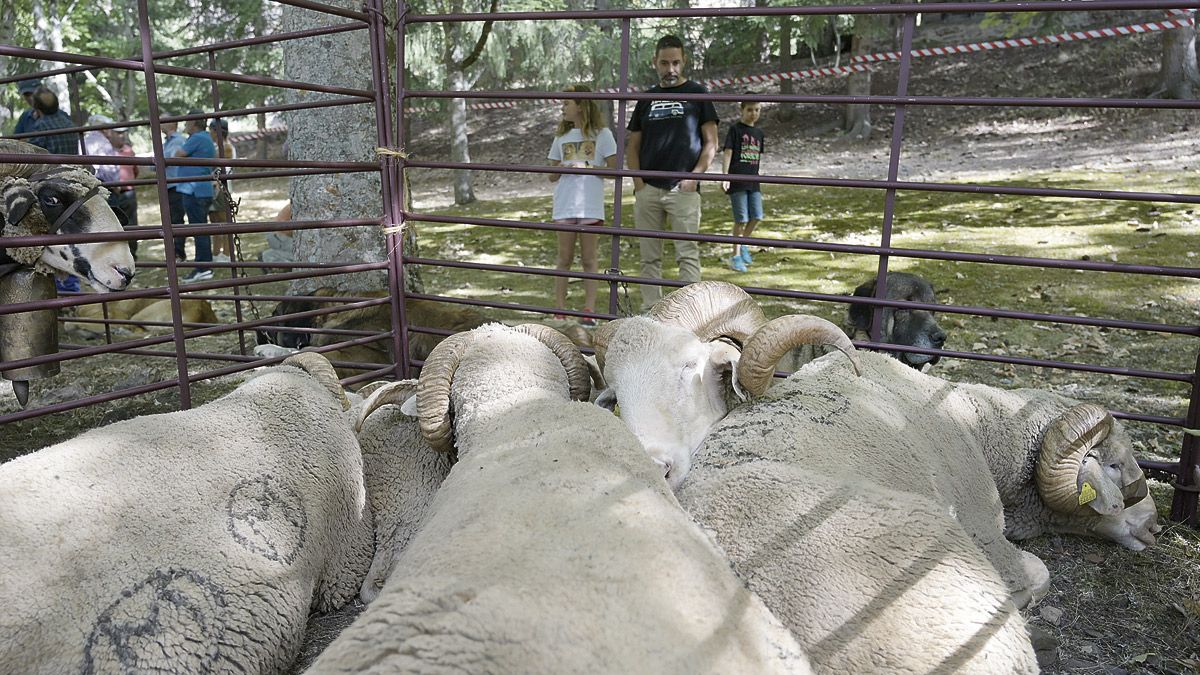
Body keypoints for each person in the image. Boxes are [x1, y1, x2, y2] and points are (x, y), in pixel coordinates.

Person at [626, 34, 719, 311]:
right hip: (649, 190)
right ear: (655, 62)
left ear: (684, 61)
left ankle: (690, 314)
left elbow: (711, 143)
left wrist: (695, 177)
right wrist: (638, 182)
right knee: (649, 258)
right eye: (665, 63)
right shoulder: (647, 99)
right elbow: (633, 146)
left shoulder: (698, 94)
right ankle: (651, 315)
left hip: (685, 188)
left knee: (687, 254)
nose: (671, 69)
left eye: (676, 62)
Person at [547, 85, 617, 325]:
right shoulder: (561, 137)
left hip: (590, 206)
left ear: (581, 105)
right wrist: (562, 168)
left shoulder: (602, 135)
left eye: (567, 103)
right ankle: (559, 309)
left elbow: (614, 169)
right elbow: (550, 174)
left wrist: (587, 168)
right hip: (565, 206)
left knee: (589, 259)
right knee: (564, 258)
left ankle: (589, 310)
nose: (563, 108)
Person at [720, 96, 764, 273]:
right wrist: (725, 177)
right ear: (742, 110)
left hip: (754, 182)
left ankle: (743, 243)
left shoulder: (759, 133)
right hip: (737, 181)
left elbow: (758, 157)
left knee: (757, 216)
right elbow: (727, 153)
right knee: (741, 219)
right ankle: (735, 256)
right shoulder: (735, 130)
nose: (753, 113)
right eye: (750, 110)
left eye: (757, 110)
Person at [173, 111, 217, 282]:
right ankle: (203, 265)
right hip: (198, 190)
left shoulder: (197, 138)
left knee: (199, 230)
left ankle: (203, 267)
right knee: (200, 229)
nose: (184, 125)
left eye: (186, 122)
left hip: (195, 190)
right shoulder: (204, 138)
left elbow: (179, 154)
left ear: (194, 123)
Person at [207, 118, 236, 264]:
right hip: (214, 188)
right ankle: (217, 253)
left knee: (224, 222)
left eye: (211, 130)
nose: (210, 133)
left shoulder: (226, 147)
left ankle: (227, 253)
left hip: (221, 189)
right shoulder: (217, 147)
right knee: (215, 223)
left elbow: (223, 169)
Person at [26, 87, 80, 155]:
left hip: (54, 165)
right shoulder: (69, 123)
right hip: (74, 164)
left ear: (36, 107)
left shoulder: (41, 127)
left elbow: (30, 154)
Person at [111, 130, 139, 257]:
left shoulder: (129, 151)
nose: (121, 136)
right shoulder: (107, 151)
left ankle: (132, 254)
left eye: (123, 133)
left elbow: (136, 169)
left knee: (131, 224)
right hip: (113, 193)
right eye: (118, 133)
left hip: (128, 192)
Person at [161, 119, 188, 248]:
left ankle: (178, 251)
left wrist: (158, 160)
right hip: (170, 185)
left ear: (173, 124)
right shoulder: (167, 142)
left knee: (176, 219)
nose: (160, 124)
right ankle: (176, 251)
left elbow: (167, 159)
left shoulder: (177, 140)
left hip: (176, 184)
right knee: (172, 219)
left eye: (163, 121)